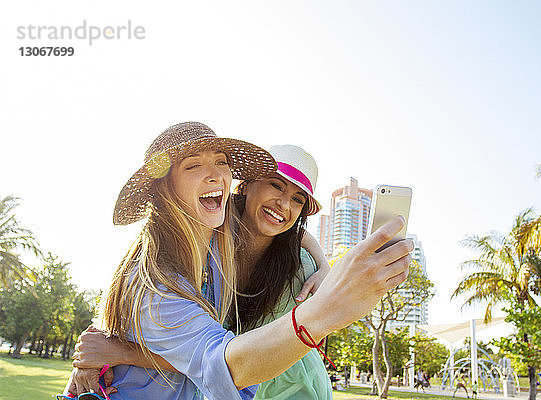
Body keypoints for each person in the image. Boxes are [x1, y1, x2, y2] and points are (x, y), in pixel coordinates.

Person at [61, 122, 414, 399]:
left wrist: (325, 270)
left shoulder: (290, 265)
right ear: (244, 188)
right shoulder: (199, 249)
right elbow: (215, 359)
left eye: (297, 200)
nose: (283, 205)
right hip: (241, 369)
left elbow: (221, 360)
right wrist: (331, 306)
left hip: (284, 376)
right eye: (276, 186)